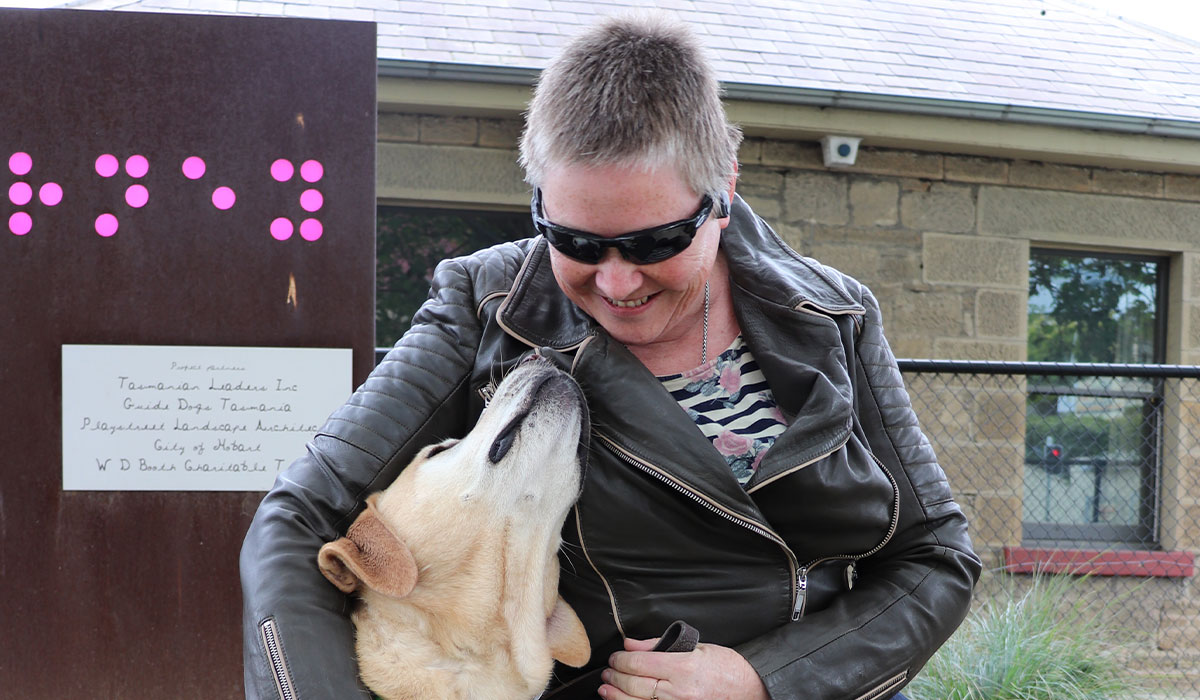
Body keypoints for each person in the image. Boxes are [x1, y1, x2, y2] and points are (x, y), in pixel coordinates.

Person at [240, 12, 981, 700]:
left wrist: (762, 679)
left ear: (722, 186)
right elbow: (300, 518)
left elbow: (934, 557)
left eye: (657, 242)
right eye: (576, 243)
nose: (618, 283)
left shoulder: (834, 312)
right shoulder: (489, 302)